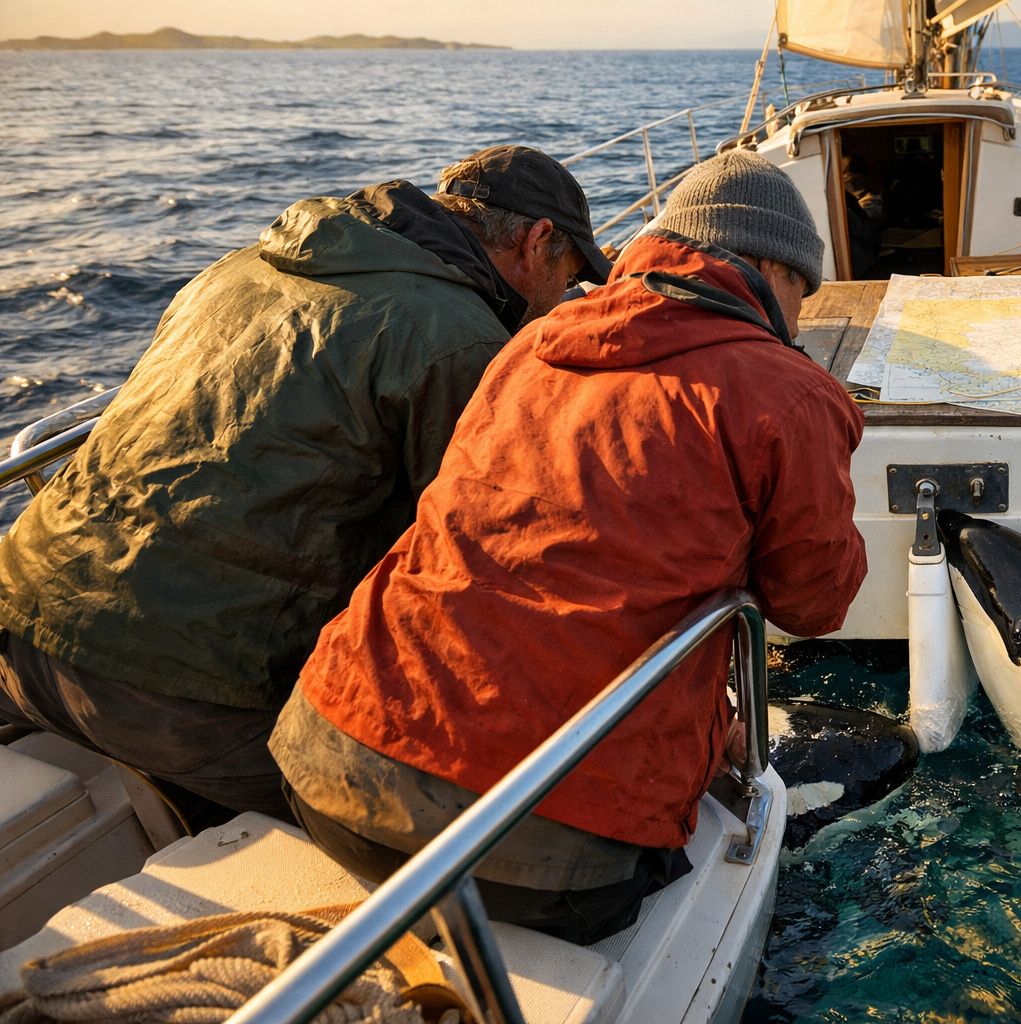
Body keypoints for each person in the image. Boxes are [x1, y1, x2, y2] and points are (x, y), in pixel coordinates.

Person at [269, 149, 868, 944]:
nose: (799, 319)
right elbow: (815, 602)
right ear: (763, 266)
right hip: (546, 862)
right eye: (802, 288)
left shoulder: (529, 341)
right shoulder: (786, 392)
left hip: (324, 763)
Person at [0, 145, 610, 822]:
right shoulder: (457, 339)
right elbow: (480, 563)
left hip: (20, 618)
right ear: (538, 242)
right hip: (182, 693)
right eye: (570, 277)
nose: (565, 298)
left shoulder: (235, 269)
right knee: (447, 827)